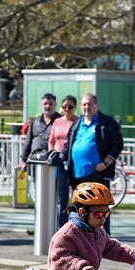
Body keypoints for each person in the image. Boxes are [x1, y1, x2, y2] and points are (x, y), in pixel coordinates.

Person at [61, 93, 122, 235]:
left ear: (96, 105)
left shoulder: (106, 123)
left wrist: (106, 163)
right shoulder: (77, 123)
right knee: (79, 211)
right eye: (84, 104)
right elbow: (68, 145)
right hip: (77, 175)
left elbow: (117, 144)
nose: (86, 107)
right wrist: (60, 156)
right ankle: (80, 239)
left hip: (97, 175)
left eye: (89, 104)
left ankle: (103, 241)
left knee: (99, 210)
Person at [49, 95, 78, 227]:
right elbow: (51, 140)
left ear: (75, 107)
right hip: (59, 161)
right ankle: (61, 225)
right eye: (65, 106)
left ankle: (76, 224)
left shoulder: (78, 122)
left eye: (70, 107)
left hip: (73, 161)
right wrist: (52, 154)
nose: (67, 109)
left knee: (76, 195)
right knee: (62, 196)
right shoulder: (57, 121)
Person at [18, 93, 59, 168]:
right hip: (35, 161)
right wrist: (23, 160)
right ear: (41, 105)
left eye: (50, 104)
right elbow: (28, 141)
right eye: (45, 104)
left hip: (53, 162)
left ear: (55, 105)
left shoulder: (60, 121)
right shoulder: (35, 122)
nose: (47, 106)